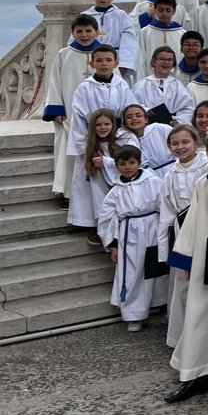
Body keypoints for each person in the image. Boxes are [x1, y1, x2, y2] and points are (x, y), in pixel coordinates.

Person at [166, 125, 208, 401]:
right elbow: (192, 222)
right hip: (206, 256)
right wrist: (187, 259)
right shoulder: (203, 182)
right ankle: (199, 372)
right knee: (201, 314)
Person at [97, 145, 167, 331]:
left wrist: (166, 232)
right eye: (122, 164)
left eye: (131, 162)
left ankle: (162, 305)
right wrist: (112, 245)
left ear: (138, 162)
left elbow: (164, 205)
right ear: (117, 166)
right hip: (129, 235)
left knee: (157, 270)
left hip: (153, 228)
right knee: (132, 273)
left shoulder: (153, 181)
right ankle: (135, 315)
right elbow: (106, 218)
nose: (127, 167)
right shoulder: (116, 190)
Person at [66, 45, 135, 230]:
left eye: (108, 60)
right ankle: (92, 224)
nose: (104, 64)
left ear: (116, 63)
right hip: (93, 140)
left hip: (115, 140)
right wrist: (85, 146)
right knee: (93, 187)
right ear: (92, 63)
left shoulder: (121, 85)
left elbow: (129, 110)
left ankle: (117, 221)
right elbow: (78, 117)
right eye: (99, 60)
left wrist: (126, 135)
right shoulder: (84, 88)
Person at [158, 123, 208, 350]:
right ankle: (183, 339)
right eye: (175, 143)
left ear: (196, 142)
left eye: (185, 142)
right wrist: (165, 249)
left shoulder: (206, 165)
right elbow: (166, 212)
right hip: (182, 231)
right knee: (183, 285)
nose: (180, 147)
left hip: (206, 227)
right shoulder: (170, 174)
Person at [43, 14, 101, 200]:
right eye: (79, 31)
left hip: (98, 117)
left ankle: (94, 195)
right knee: (66, 156)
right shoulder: (64, 54)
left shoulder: (103, 54)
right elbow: (55, 82)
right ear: (72, 33)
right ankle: (66, 193)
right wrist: (57, 109)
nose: (84, 35)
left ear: (96, 32)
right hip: (69, 115)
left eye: (88, 31)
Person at [74, 109, 135, 245]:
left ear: (113, 124)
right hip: (101, 183)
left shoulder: (124, 138)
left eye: (106, 124)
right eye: (98, 125)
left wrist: (106, 161)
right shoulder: (89, 144)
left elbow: (133, 162)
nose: (102, 128)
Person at [83, 0, 138, 81]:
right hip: (91, 59)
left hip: (114, 60)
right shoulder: (85, 16)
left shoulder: (120, 15)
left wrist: (124, 63)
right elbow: (75, 38)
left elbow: (129, 39)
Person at [133, 47, 195, 124]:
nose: (166, 62)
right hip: (148, 126)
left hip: (172, 127)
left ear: (173, 64)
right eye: (162, 59)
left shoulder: (178, 85)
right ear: (154, 62)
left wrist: (179, 121)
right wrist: (145, 110)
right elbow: (133, 104)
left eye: (169, 60)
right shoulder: (141, 85)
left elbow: (188, 108)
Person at [136, 0, 185, 80]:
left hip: (176, 80)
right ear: (155, 10)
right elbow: (140, 60)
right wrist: (142, 81)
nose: (164, 14)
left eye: (168, 10)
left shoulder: (181, 33)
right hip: (150, 79)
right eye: (160, 10)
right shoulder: (145, 32)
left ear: (174, 11)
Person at [120, 103, 175, 173]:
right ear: (125, 123)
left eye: (138, 115)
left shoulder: (161, 128)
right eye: (129, 117)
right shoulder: (129, 141)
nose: (134, 118)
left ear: (146, 119)